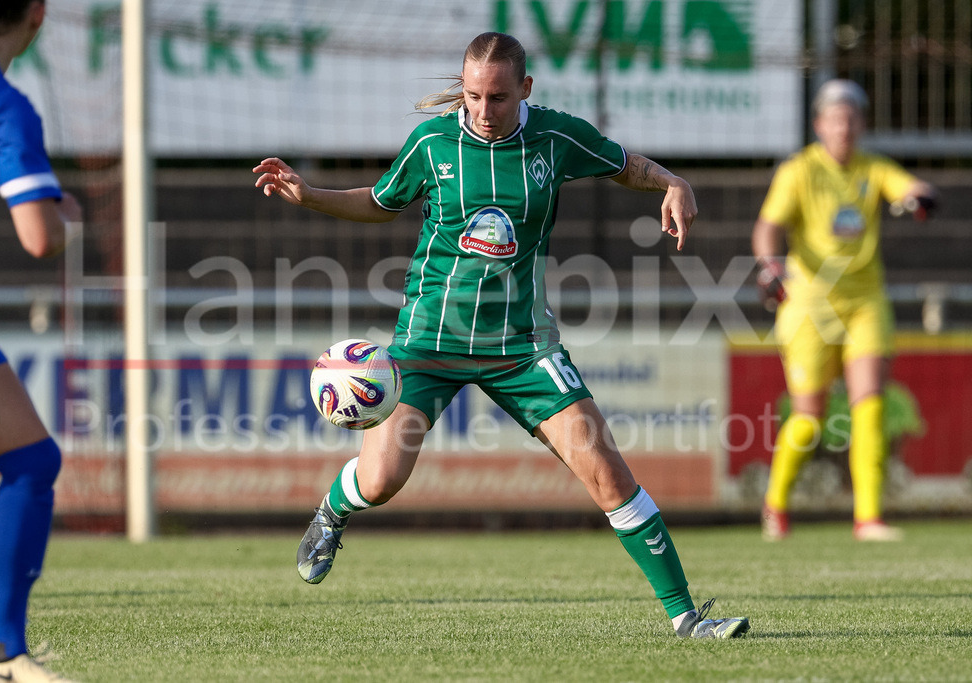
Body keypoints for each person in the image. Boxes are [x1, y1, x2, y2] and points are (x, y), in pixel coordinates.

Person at [255, 32, 749, 639]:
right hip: (428, 343)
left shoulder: (556, 136)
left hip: (522, 348)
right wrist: (310, 196)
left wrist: (673, 182)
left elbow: (626, 166)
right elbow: (381, 203)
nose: (483, 112)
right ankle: (332, 511)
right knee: (381, 481)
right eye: (472, 97)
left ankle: (686, 619)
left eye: (498, 98)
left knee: (607, 472)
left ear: (526, 91)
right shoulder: (433, 141)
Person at [0, 1, 83, 680]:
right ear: (35, 14)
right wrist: (66, 214)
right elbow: (38, 237)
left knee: (30, 457)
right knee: (30, 467)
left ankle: (2, 660)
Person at [752, 79, 937, 543]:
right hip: (809, 305)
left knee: (869, 404)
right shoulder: (799, 170)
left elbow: (909, 187)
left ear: (862, 123)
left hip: (865, 303)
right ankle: (775, 505)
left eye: (852, 118)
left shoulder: (872, 168)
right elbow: (767, 227)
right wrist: (770, 265)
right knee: (809, 416)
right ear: (819, 124)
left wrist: (920, 197)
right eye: (835, 118)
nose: (844, 126)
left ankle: (868, 518)